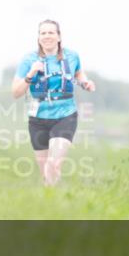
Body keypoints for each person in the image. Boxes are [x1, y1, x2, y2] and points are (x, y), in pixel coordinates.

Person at [11, 19, 95, 186]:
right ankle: (52, 202)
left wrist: (85, 82)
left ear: (59, 36)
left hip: (65, 115)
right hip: (38, 119)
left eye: (51, 32)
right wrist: (31, 72)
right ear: (38, 37)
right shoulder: (28, 60)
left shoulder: (72, 56)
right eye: (43, 33)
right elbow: (16, 92)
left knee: (53, 164)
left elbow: (78, 73)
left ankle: (57, 203)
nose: (47, 36)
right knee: (45, 173)